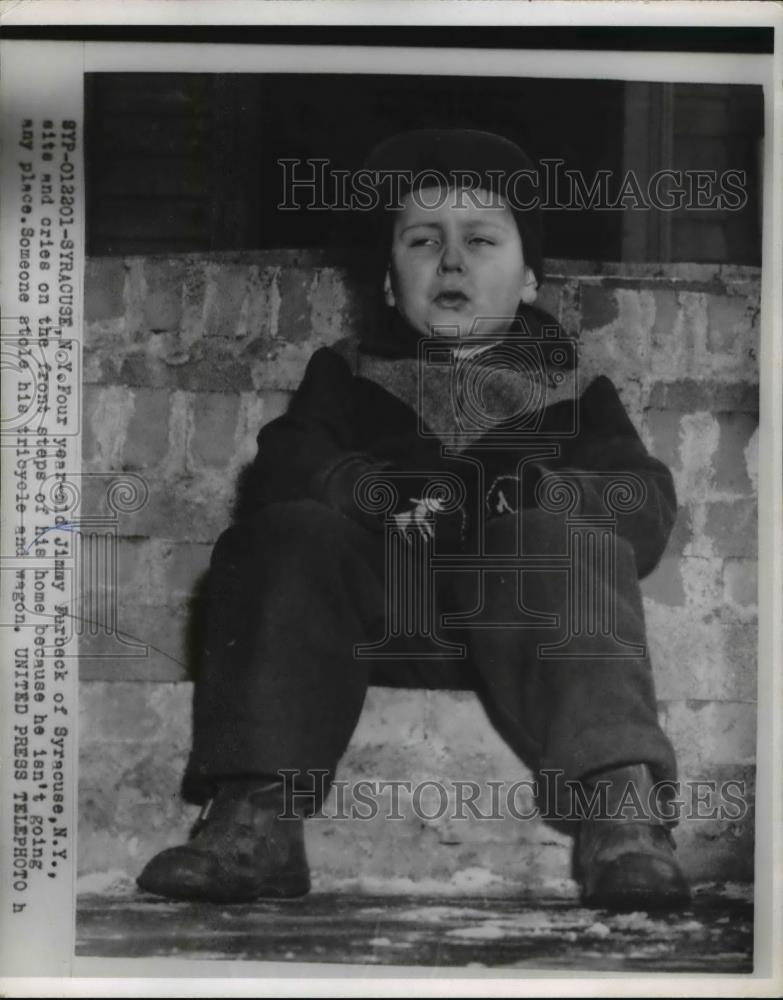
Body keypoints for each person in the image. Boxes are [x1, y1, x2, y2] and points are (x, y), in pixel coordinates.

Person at [137, 129, 690, 910]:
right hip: (376, 615)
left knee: (564, 536)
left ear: (528, 278)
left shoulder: (573, 393)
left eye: (481, 240)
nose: (452, 260)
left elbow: (642, 501)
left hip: (521, 621)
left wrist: (539, 498)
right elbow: (284, 468)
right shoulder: (349, 374)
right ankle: (255, 814)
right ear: (391, 286)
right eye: (423, 240)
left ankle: (621, 813)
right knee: (286, 532)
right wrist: (375, 493)